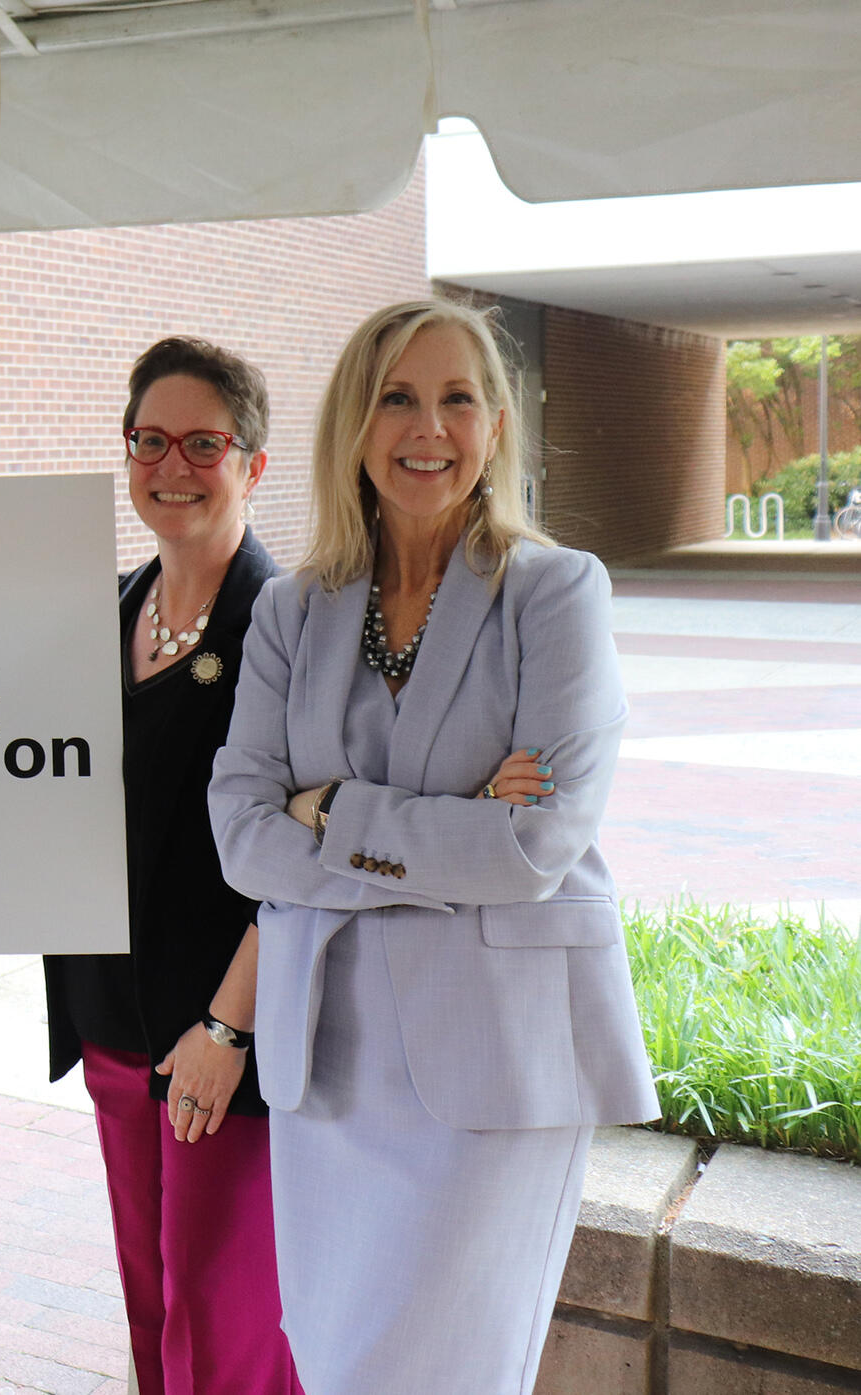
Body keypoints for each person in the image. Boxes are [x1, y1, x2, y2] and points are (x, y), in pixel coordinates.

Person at [209, 299, 658, 1394]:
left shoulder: (555, 593)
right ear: (355, 426)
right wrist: (456, 815)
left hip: (493, 1061)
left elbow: (533, 849)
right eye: (397, 397)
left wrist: (331, 807)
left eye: (458, 397)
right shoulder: (291, 611)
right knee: (339, 1361)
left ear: (496, 425)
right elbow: (242, 837)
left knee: (444, 1368)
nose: (429, 426)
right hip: (330, 1062)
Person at [45, 337, 301, 1395]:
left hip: (224, 1042)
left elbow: (302, 857)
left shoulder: (286, 624)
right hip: (112, 1017)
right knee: (151, 1310)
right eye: (149, 440)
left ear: (253, 463)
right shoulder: (101, 611)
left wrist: (228, 1029)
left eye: (204, 443)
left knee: (224, 1326)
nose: (172, 465)